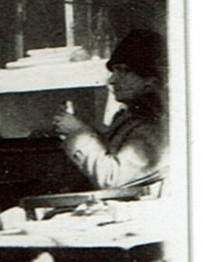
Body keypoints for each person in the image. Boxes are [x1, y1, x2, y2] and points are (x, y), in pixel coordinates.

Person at [53, 28, 167, 189]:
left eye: (123, 71)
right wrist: (86, 131)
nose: (112, 80)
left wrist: (78, 133)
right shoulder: (134, 118)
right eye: (114, 71)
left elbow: (111, 178)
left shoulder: (154, 128)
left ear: (151, 78)